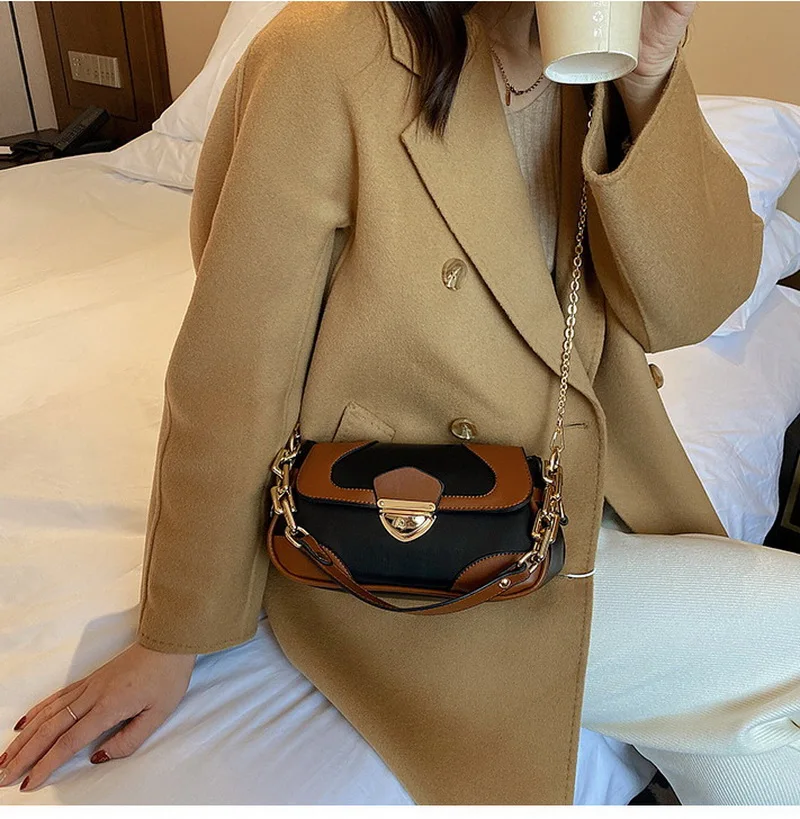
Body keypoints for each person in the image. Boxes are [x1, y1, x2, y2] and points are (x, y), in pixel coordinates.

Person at [2, 0, 799, 805]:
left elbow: (691, 309)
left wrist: (651, 73)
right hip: (413, 533)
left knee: (761, 744)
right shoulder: (325, 53)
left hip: (591, 484)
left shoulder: (596, 53)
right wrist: (174, 635)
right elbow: (235, 373)